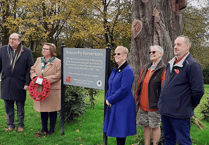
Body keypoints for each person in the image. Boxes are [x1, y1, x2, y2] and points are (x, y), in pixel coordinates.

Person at [158, 36, 204, 145]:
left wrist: (186, 105)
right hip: (166, 111)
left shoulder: (192, 65)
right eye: (175, 44)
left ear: (187, 47)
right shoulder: (170, 63)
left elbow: (198, 91)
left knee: (184, 141)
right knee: (168, 140)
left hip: (180, 114)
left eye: (179, 45)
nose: (175, 47)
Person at [0, 33, 34, 132]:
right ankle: (11, 125)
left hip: (20, 83)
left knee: (20, 107)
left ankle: (20, 125)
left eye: (14, 39)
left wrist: (27, 83)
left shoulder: (26, 51)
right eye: (10, 38)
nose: (11, 41)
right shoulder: (3, 49)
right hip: (6, 83)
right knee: (8, 106)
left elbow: (29, 68)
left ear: (19, 41)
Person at [103, 46, 136, 145]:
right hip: (115, 104)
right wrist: (107, 99)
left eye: (118, 54)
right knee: (117, 129)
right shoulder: (116, 70)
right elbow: (111, 86)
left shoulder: (127, 70)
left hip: (123, 105)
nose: (115, 56)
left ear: (125, 56)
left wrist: (110, 100)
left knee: (121, 131)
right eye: (115, 54)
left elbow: (124, 89)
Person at [136, 45, 166, 145]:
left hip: (154, 105)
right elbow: (139, 84)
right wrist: (138, 98)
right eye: (150, 52)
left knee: (155, 126)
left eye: (154, 52)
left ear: (160, 54)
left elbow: (164, 89)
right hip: (143, 105)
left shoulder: (163, 69)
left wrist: (161, 104)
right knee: (146, 126)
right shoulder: (146, 68)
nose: (151, 54)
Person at [30, 43, 61, 136]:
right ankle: (44, 128)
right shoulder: (39, 60)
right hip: (40, 89)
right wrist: (35, 77)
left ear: (51, 51)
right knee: (43, 109)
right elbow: (32, 70)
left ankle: (51, 129)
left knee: (52, 110)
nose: (43, 50)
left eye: (46, 49)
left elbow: (58, 75)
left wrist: (45, 80)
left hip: (52, 89)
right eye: (43, 48)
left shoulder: (57, 62)